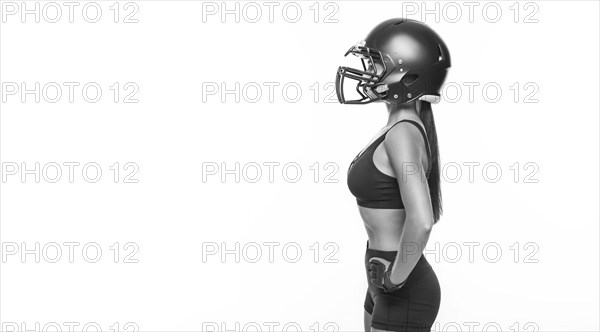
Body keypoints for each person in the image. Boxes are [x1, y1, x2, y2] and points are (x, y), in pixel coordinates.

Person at [336, 18, 451, 332]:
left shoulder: (402, 134)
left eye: (376, 64)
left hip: (402, 285)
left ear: (408, 73)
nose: (368, 73)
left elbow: (422, 220)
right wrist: (383, 282)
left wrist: (395, 279)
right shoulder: (396, 129)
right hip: (382, 278)